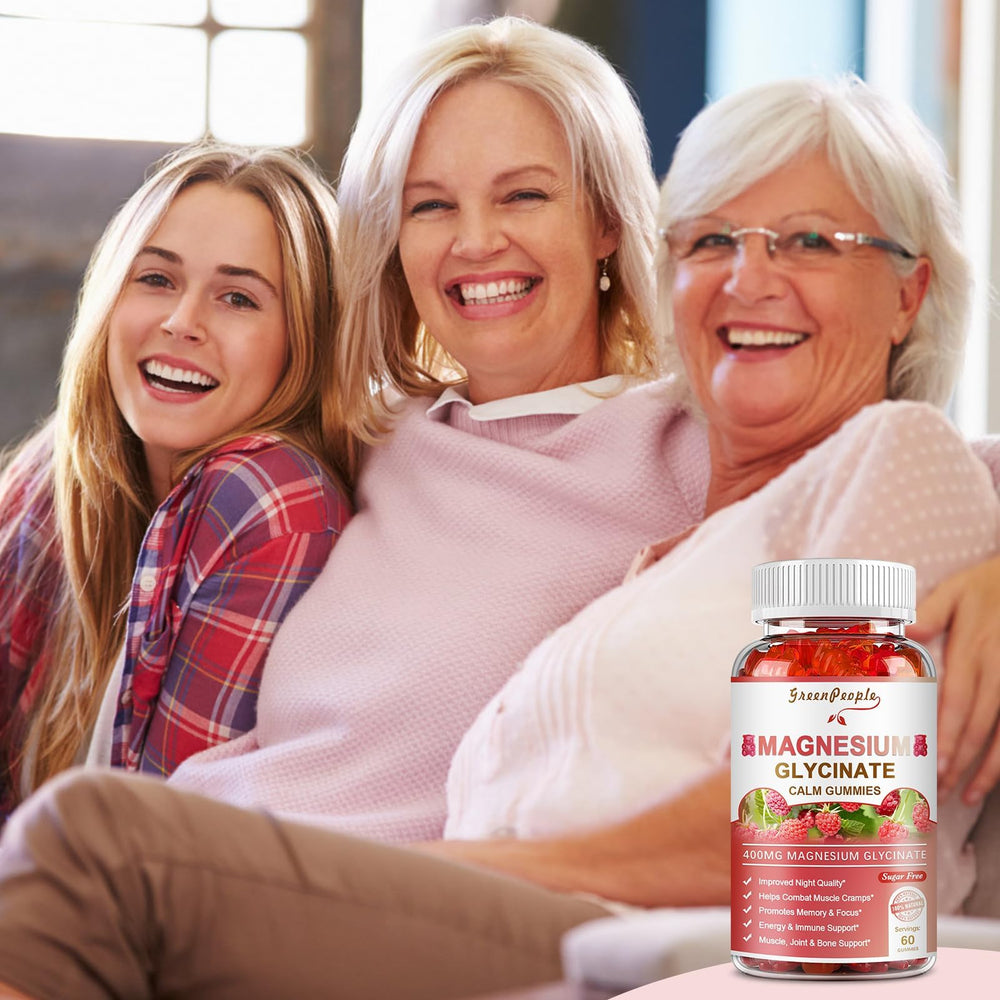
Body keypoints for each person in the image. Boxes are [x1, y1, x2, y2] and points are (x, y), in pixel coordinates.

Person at [0, 70, 999, 1000]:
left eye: (812, 241)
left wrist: (444, 870)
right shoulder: (669, 549)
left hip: (600, 940)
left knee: (91, 844)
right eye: (709, 242)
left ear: (909, 292)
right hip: (433, 905)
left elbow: (830, 843)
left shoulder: (894, 456)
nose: (749, 279)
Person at [157, 15, 710, 842]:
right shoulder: (372, 439)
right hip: (206, 857)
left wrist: (984, 580)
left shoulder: (692, 447)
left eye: (523, 194)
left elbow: (930, 475)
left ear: (605, 220)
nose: (476, 240)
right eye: (431, 206)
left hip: (392, 912)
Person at [0, 143, 351, 819]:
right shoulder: (64, 467)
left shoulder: (274, 499)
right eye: (156, 279)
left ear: (304, 340)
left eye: (238, 298)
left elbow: (154, 854)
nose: (181, 322)